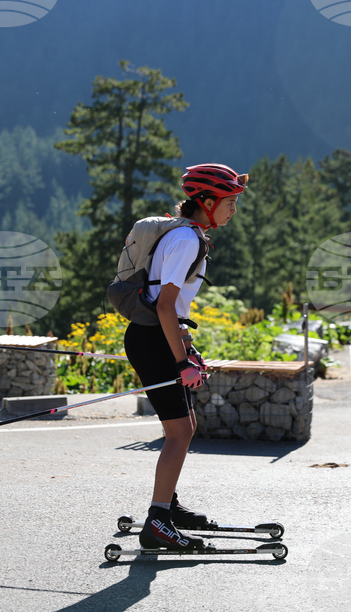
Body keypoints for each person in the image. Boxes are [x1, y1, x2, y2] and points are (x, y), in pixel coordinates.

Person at [123, 164, 248, 550]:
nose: (233, 210)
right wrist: (181, 361)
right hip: (153, 340)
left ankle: (169, 507)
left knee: (185, 425)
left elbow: (170, 306)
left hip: (158, 337)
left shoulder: (187, 235)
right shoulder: (187, 240)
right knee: (180, 433)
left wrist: (187, 348)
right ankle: (158, 521)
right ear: (207, 202)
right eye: (230, 202)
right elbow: (164, 305)